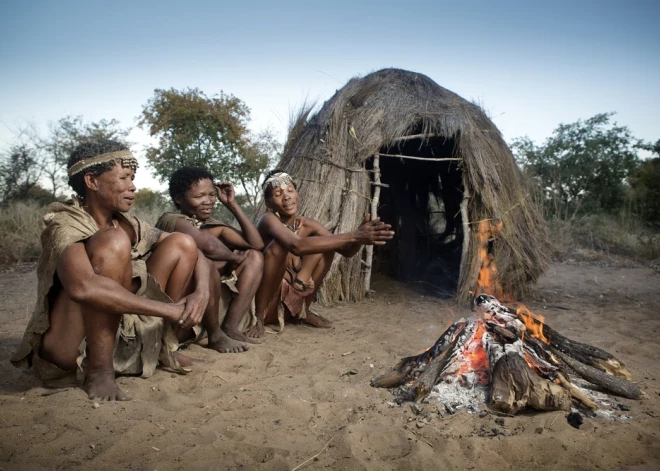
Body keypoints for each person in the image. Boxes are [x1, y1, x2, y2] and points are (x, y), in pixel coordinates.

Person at [11, 140, 215, 401]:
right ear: (92, 181)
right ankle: (99, 371)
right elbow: (82, 286)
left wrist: (202, 292)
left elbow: (194, 250)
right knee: (113, 242)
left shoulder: (126, 222)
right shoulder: (64, 222)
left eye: (133, 178)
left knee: (181, 243)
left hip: (117, 338)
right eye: (124, 178)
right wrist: (170, 310)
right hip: (68, 351)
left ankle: (160, 347)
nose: (133, 186)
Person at [245, 170, 395, 338]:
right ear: (269, 203)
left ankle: (303, 311)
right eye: (278, 194)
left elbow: (346, 252)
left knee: (327, 245)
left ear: (297, 195)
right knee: (280, 246)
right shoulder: (267, 220)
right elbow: (296, 245)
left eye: (290, 190)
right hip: (265, 305)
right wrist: (354, 235)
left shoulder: (307, 225)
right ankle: (257, 318)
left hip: (288, 305)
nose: (286, 197)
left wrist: (360, 238)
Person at [156, 167, 264, 346]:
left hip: (211, 299)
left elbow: (257, 245)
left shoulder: (211, 224)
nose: (208, 201)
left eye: (211, 195)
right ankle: (212, 334)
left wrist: (232, 204)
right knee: (207, 263)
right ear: (179, 198)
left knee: (255, 256)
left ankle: (231, 327)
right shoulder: (172, 220)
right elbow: (209, 247)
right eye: (199, 197)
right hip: (181, 297)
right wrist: (234, 259)